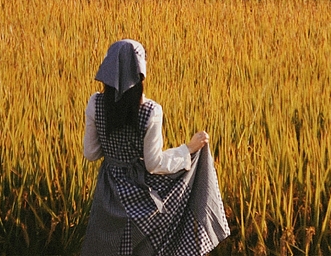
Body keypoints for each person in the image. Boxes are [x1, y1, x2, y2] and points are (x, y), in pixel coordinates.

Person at [81, 39, 231, 256]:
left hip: (108, 193)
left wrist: (114, 151)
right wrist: (188, 149)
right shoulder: (150, 111)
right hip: (140, 196)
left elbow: (91, 153)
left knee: (107, 246)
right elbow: (154, 164)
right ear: (141, 73)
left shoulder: (95, 103)